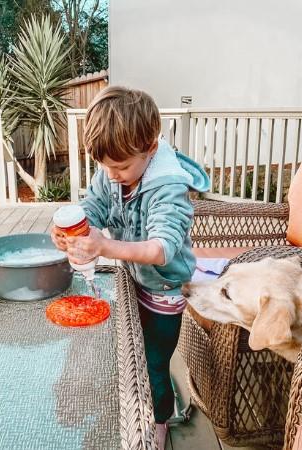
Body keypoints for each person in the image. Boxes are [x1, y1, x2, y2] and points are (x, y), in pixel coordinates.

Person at [51, 86, 209, 449]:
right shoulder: (112, 172)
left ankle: (159, 420)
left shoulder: (167, 187)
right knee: (128, 352)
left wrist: (105, 246)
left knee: (153, 362)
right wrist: (67, 230)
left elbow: (161, 248)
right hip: (132, 280)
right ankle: (134, 404)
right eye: (105, 166)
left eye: (121, 167)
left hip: (165, 291)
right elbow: (93, 208)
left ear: (150, 148)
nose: (112, 175)